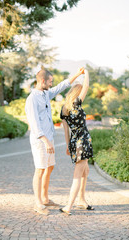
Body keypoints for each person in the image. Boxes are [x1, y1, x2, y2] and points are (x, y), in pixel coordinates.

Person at [25, 68, 85, 215]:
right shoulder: (32, 99)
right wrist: (46, 141)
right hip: (40, 141)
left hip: (49, 138)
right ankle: (38, 203)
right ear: (42, 81)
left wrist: (77, 74)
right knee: (39, 170)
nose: (52, 84)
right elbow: (34, 124)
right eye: (50, 81)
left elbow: (61, 86)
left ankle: (45, 198)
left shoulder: (46, 93)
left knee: (49, 167)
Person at [60, 68, 94, 215]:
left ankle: (81, 199)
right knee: (78, 174)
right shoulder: (77, 104)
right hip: (83, 142)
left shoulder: (64, 109)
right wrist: (85, 73)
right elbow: (86, 86)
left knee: (85, 170)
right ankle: (69, 206)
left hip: (75, 142)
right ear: (77, 93)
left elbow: (66, 130)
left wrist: (68, 145)